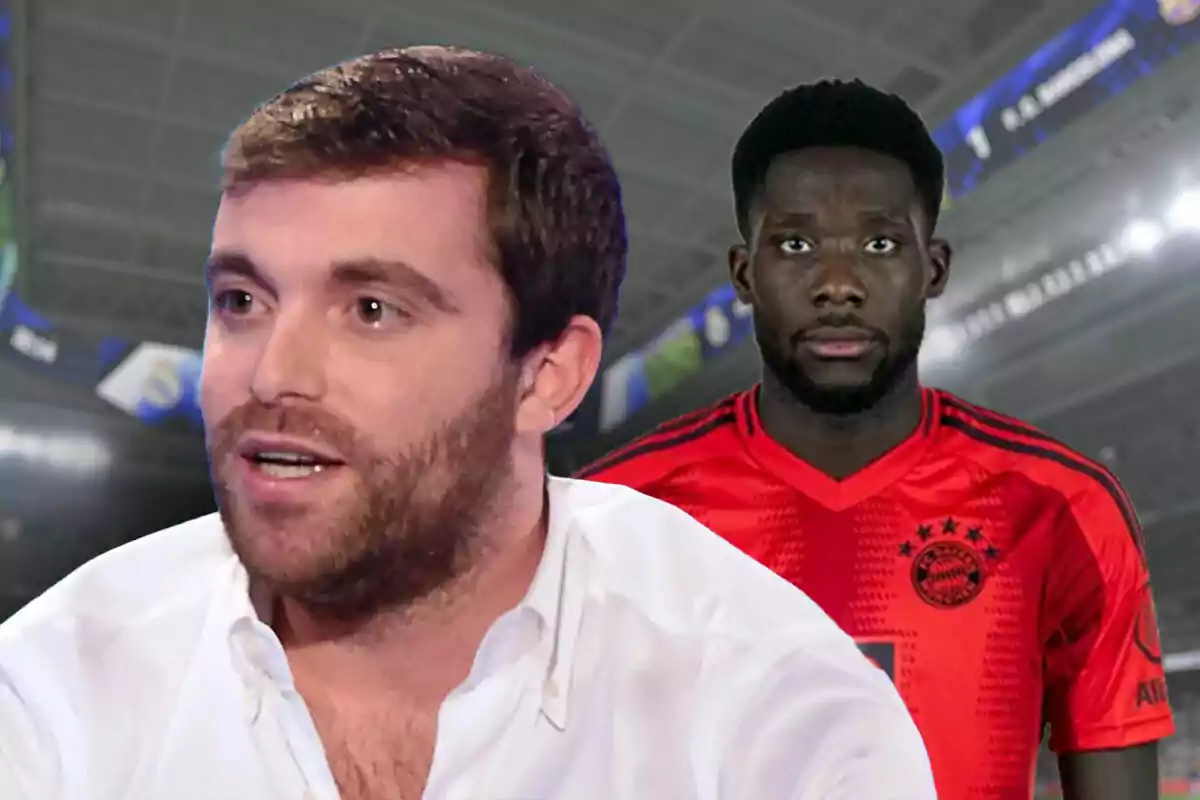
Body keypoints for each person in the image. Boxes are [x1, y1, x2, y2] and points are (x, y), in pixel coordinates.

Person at [0, 51, 936, 800]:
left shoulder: (778, 709)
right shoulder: (50, 693)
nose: (270, 374)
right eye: (241, 299)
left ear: (548, 376)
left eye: (372, 310)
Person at [579, 79, 1174, 800]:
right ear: (745, 274)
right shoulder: (614, 517)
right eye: (796, 243)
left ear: (934, 269)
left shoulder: (1062, 508)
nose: (838, 284)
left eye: (880, 242)